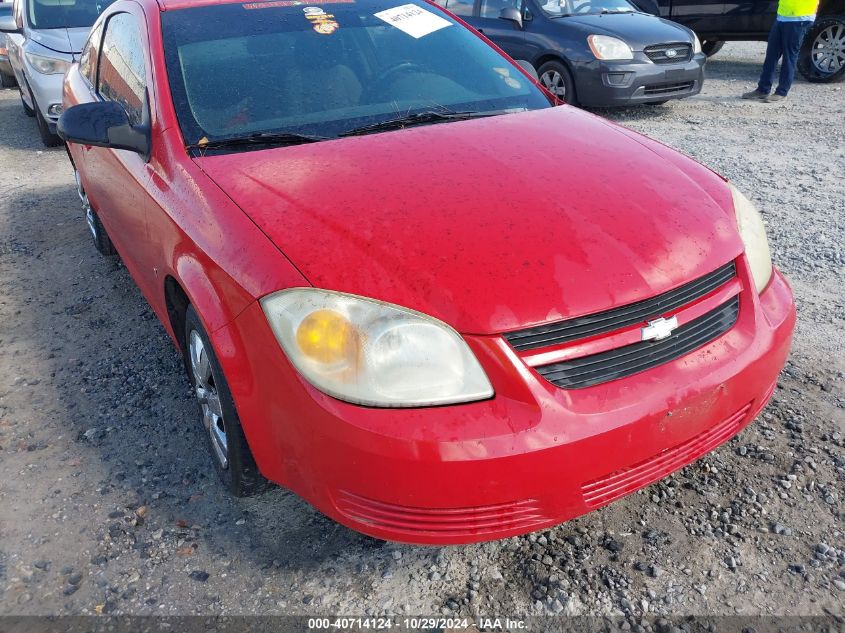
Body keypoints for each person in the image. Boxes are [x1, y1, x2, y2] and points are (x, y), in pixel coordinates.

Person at [742, 0, 819, 102]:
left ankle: (781, 92)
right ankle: (763, 89)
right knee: (771, 55)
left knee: (789, 57)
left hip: (800, 18)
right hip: (782, 16)